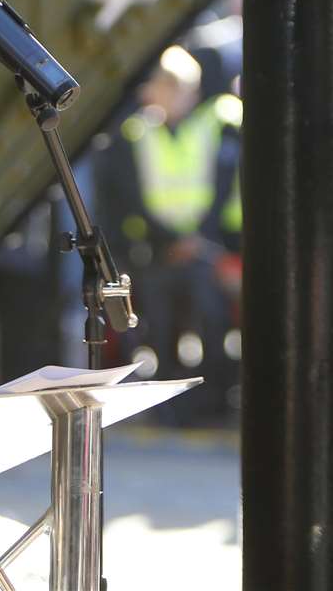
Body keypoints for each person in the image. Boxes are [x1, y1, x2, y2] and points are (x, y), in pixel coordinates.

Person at [109, 46, 239, 420]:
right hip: (160, 249)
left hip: (204, 247)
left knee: (210, 317)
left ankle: (213, 402)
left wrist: (198, 240)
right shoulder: (136, 134)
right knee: (159, 322)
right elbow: (131, 197)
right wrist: (169, 241)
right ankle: (166, 405)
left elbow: (220, 187)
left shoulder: (216, 127)